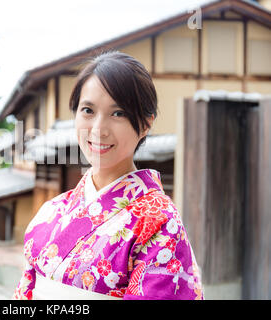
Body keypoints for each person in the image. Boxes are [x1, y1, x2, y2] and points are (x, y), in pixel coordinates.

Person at [13, 51, 203, 300]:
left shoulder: (160, 222)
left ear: (146, 124)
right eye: (88, 110)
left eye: (118, 113)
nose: (98, 129)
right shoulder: (51, 211)